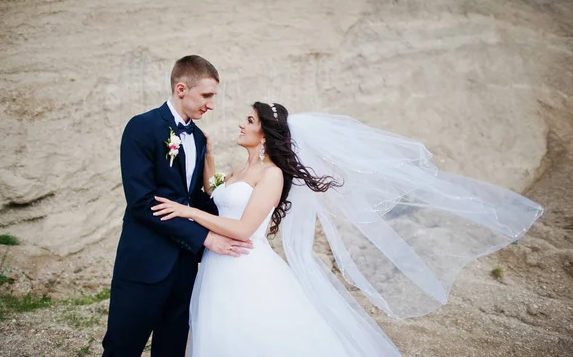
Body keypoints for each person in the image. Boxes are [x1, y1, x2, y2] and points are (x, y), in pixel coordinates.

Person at [153, 101, 544, 356]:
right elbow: (220, 196)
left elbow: (242, 227)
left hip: (247, 269)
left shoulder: (271, 175)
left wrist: (186, 213)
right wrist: (209, 164)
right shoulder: (243, 170)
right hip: (220, 270)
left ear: (266, 133)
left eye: (250, 120)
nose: (241, 123)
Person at [102, 55, 252, 357]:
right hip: (145, 261)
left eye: (213, 97)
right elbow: (143, 203)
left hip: (185, 266)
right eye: (206, 95)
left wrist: (233, 220)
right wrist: (206, 237)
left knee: (171, 350)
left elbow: (190, 196)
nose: (211, 105)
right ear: (181, 88)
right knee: (122, 347)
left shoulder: (197, 137)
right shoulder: (141, 127)